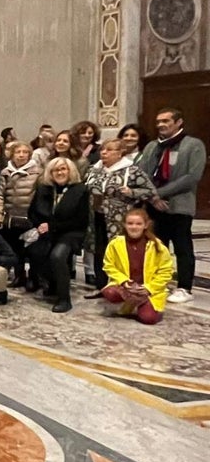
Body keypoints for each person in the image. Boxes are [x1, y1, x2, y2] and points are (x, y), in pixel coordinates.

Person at [135, 107, 205, 304]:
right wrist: (151, 197)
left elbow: (191, 177)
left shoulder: (193, 145)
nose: (161, 125)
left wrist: (159, 194)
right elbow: (142, 174)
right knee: (157, 247)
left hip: (179, 205)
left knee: (182, 247)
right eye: (158, 122)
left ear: (178, 122)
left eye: (166, 121)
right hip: (153, 207)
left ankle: (184, 287)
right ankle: (160, 283)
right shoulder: (151, 147)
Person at [84, 139, 157, 288]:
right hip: (96, 216)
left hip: (119, 218)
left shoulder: (132, 171)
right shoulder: (94, 169)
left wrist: (132, 192)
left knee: (119, 250)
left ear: (120, 153)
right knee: (99, 250)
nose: (104, 153)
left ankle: (122, 285)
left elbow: (150, 191)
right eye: (102, 150)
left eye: (109, 150)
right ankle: (101, 285)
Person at [26, 158, 90, 313]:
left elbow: (80, 220)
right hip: (47, 231)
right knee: (34, 251)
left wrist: (51, 226)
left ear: (70, 171)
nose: (60, 173)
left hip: (70, 232)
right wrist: (39, 226)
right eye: (56, 170)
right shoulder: (43, 189)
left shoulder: (80, 190)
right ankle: (51, 284)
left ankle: (64, 299)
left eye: (63, 169)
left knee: (57, 255)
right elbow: (32, 212)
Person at [99, 208, 174, 325]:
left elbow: (166, 271)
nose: (134, 227)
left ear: (146, 225)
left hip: (149, 289)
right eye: (130, 223)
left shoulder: (157, 246)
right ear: (124, 225)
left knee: (148, 319)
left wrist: (149, 288)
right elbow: (109, 266)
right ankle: (131, 302)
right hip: (127, 287)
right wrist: (123, 281)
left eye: (138, 224)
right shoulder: (115, 244)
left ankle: (145, 305)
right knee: (110, 292)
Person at [0, 141, 42, 288]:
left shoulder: (38, 172)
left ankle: (34, 278)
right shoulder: (5, 172)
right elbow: (0, 195)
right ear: (12, 154)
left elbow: (40, 195)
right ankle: (19, 275)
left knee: (32, 250)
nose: (21, 155)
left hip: (29, 216)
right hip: (10, 217)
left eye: (25, 152)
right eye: (18, 152)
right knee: (15, 249)